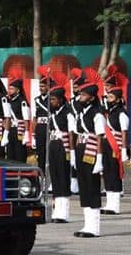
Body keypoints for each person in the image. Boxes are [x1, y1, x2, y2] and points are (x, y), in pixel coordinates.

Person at [71, 69, 105, 237]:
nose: (80, 97)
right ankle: (87, 224)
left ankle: (95, 227)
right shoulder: (81, 113)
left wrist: (99, 159)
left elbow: (100, 138)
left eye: (83, 95)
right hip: (81, 150)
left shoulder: (97, 114)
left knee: (92, 187)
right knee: (83, 187)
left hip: (92, 151)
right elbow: (78, 135)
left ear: (91, 97)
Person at [47, 72, 74, 223]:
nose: (51, 102)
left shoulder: (68, 114)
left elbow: (71, 134)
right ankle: (56, 209)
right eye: (50, 99)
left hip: (64, 146)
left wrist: (72, 152)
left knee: (63, 177)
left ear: (61, 99)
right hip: (53, 145)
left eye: (53, 99)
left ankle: (64, 211)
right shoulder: (52, 113)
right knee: (55, 176)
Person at [102, 73, 130, 215]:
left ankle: (116, 205)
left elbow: (124, 132)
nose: (109, 99)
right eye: (108, 97)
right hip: (107, 145)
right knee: (107, 173)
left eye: (111, 97)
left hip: (116, 146)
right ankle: (109, 203)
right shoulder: (109, 112)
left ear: (118, 99)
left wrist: (124, 149)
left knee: (114, 174)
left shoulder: (121, 113)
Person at [5, 68, 31, 163]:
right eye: (9, 88)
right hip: (10, 129)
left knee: (19, 153)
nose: (9, 90)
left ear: (18, 90)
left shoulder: (22, 101)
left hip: (19, 131)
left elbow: (26, 118)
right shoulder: (8, 101)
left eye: (12, 89)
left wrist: (27, 133)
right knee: (10, 154)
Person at [33, 66, 51, 175]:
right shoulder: (37, 100)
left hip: (49, 128)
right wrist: (33, 133)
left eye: (43, 86)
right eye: (40, 86)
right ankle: (41, 176)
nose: (41, 88)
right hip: (40, 128)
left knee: (50, 153)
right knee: (40, 153)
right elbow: (35, 118)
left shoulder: (52, 98)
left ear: (48, 86)